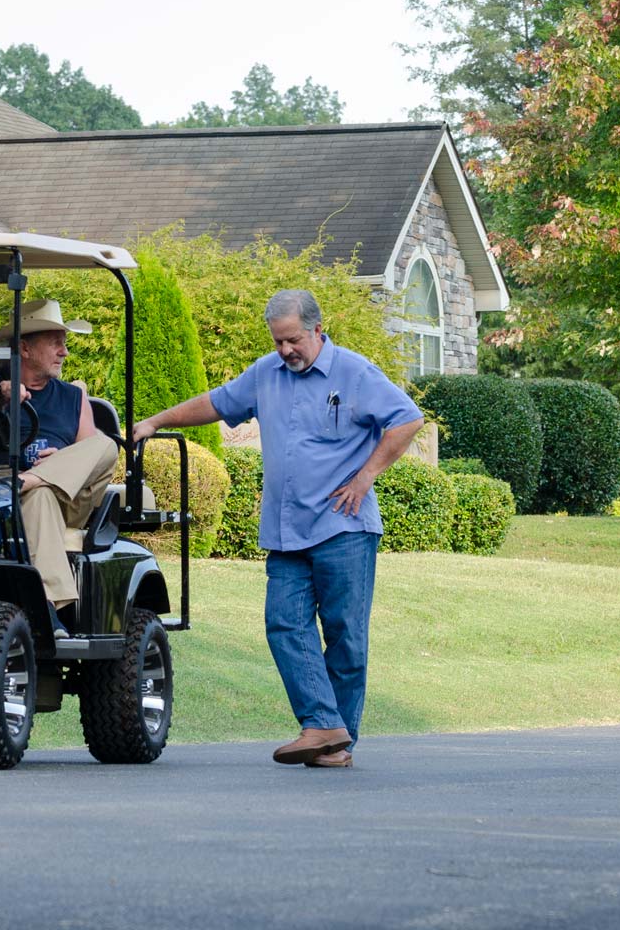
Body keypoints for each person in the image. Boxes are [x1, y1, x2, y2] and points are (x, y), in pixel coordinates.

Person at [131, 288, 423, 769]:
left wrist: (365, 476)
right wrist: (157, 421)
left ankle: (336, 743)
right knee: (284, 625)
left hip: (344, 528)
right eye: (278, 342)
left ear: (316, 330)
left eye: (292, 340)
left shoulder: (354, 372)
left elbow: (406, 419)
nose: (286, 350)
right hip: (287, 532)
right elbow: (217, 403)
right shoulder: (267, 374)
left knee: (346, 636)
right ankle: (323, 725)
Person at [0, 298, 118, 639]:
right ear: (25, 348)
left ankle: (30, 480)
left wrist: (58, 463)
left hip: (66, 498)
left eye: (64, 343)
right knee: (40, 497)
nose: (64, 352)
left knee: (105, 445)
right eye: (55, 343)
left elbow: (92, 456)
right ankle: (47, 610)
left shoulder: (74, 397)